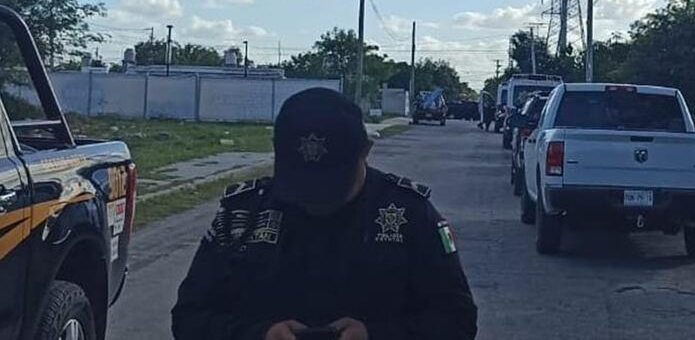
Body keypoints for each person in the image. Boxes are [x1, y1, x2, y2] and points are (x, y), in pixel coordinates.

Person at [171, 87, 478, 340]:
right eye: (302, 184)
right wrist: (260, 335)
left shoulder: (408, 214)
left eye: (331, 184)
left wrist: (375, 335)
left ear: (366, 151)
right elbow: (189, 318)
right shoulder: (243, 213)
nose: (316, 202)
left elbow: (458, 320)